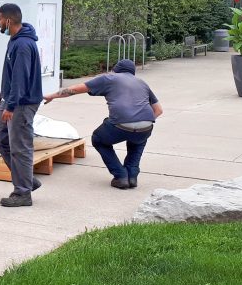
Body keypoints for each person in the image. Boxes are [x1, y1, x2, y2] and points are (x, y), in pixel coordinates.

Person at [43, 58, 163, 190]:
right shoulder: (142, 83)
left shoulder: (109, 78)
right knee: (138, 141)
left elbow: (75, 89)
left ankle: (121, 176)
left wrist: (52, 96)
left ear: (115, 70)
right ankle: (132, 176)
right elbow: (158, 110)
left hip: (120, 124)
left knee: (98, 139)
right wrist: (140, 122)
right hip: (146, 125)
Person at [0, 3, 43, 207]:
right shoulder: (15, 40)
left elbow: (20, 79)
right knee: (1, 140)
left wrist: (11, 106)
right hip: (12, 99)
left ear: (8, 21)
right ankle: (28, 179)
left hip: (21, 104)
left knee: (20, 148)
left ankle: (23, 193)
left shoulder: (22, 45)